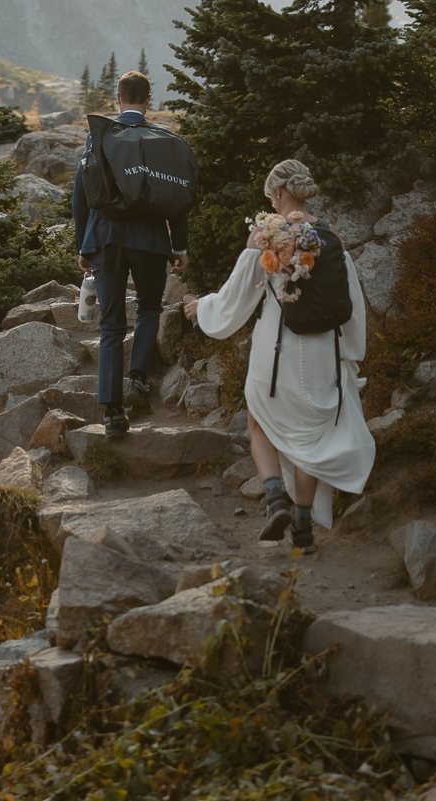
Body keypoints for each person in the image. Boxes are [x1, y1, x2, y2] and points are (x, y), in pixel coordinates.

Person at [182, 159, 372, 553]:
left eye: (271, 197)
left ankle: (274, 498)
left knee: (258, 424)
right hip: (324, 352)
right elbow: (352, 304)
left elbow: (235, 301)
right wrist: (352, 357)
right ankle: (303, 527)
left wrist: (201, 308)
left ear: (280, 194)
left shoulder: (265, 237)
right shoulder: (330, 238)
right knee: (309, 439)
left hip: (277, 349)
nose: (270, 204)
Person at [72, 69, 188, 436]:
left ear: (118, 99)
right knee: (150, 307)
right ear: (148, 101)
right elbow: (176, 198)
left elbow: (81, 199)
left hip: (105, 240)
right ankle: (138, 379)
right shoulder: (161, 141)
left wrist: (84, 246)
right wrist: (179, 245)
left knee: (110, 325)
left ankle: (111, 413)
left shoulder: (99, 139)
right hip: (152, 242)